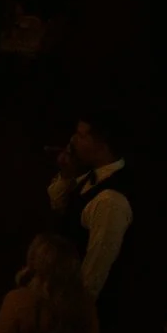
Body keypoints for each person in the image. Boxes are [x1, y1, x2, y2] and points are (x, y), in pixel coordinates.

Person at [47, 110, 132, 299]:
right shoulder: (92, 176)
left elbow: (94, 274)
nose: (72, 141)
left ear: (101, 144)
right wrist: (67, 173)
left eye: (80, 135)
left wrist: (71, 311)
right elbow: (60, 207)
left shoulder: (110, 200)